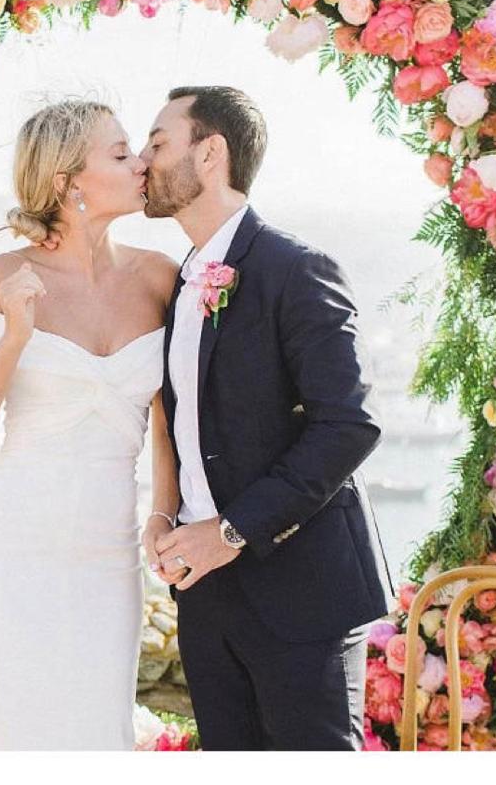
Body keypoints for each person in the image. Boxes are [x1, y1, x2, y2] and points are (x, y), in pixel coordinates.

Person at [138, 85, 397, 751]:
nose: (142, 159)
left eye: (159, 142)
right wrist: (167, 515)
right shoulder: (181, 280)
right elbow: (185, 424)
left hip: (299, 589)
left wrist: (227, 532)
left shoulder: (296, 269)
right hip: (204, 596)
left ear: (210, 153)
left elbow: (348, 426)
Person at [0, 97, 180, 750]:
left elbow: (168, 426)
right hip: (10, 551)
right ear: (69, 181)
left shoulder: (161, 278)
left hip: (110, 555)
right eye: (121, 153)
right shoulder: (3, 277)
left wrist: (162, 514)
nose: (141, 165)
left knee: (103, 738)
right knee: (17, 742)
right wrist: (14, 336)